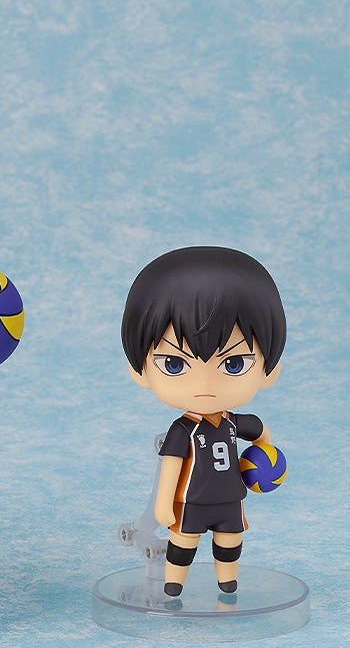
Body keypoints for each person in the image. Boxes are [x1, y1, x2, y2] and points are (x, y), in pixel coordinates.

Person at [121, 246, 286, 596]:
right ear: (140, 370)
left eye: (234, 364)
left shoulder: (233, 422)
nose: (205, 385)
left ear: (269, 370)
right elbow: (171, 465)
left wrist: (266, 455)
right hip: (191, 501)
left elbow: (260, 431)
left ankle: (227, 581)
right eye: (175, 364)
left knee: (230, 539)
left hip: (230, 498)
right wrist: (164, 504)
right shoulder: (184, 429)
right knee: (183, 541)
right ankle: (173, 582)